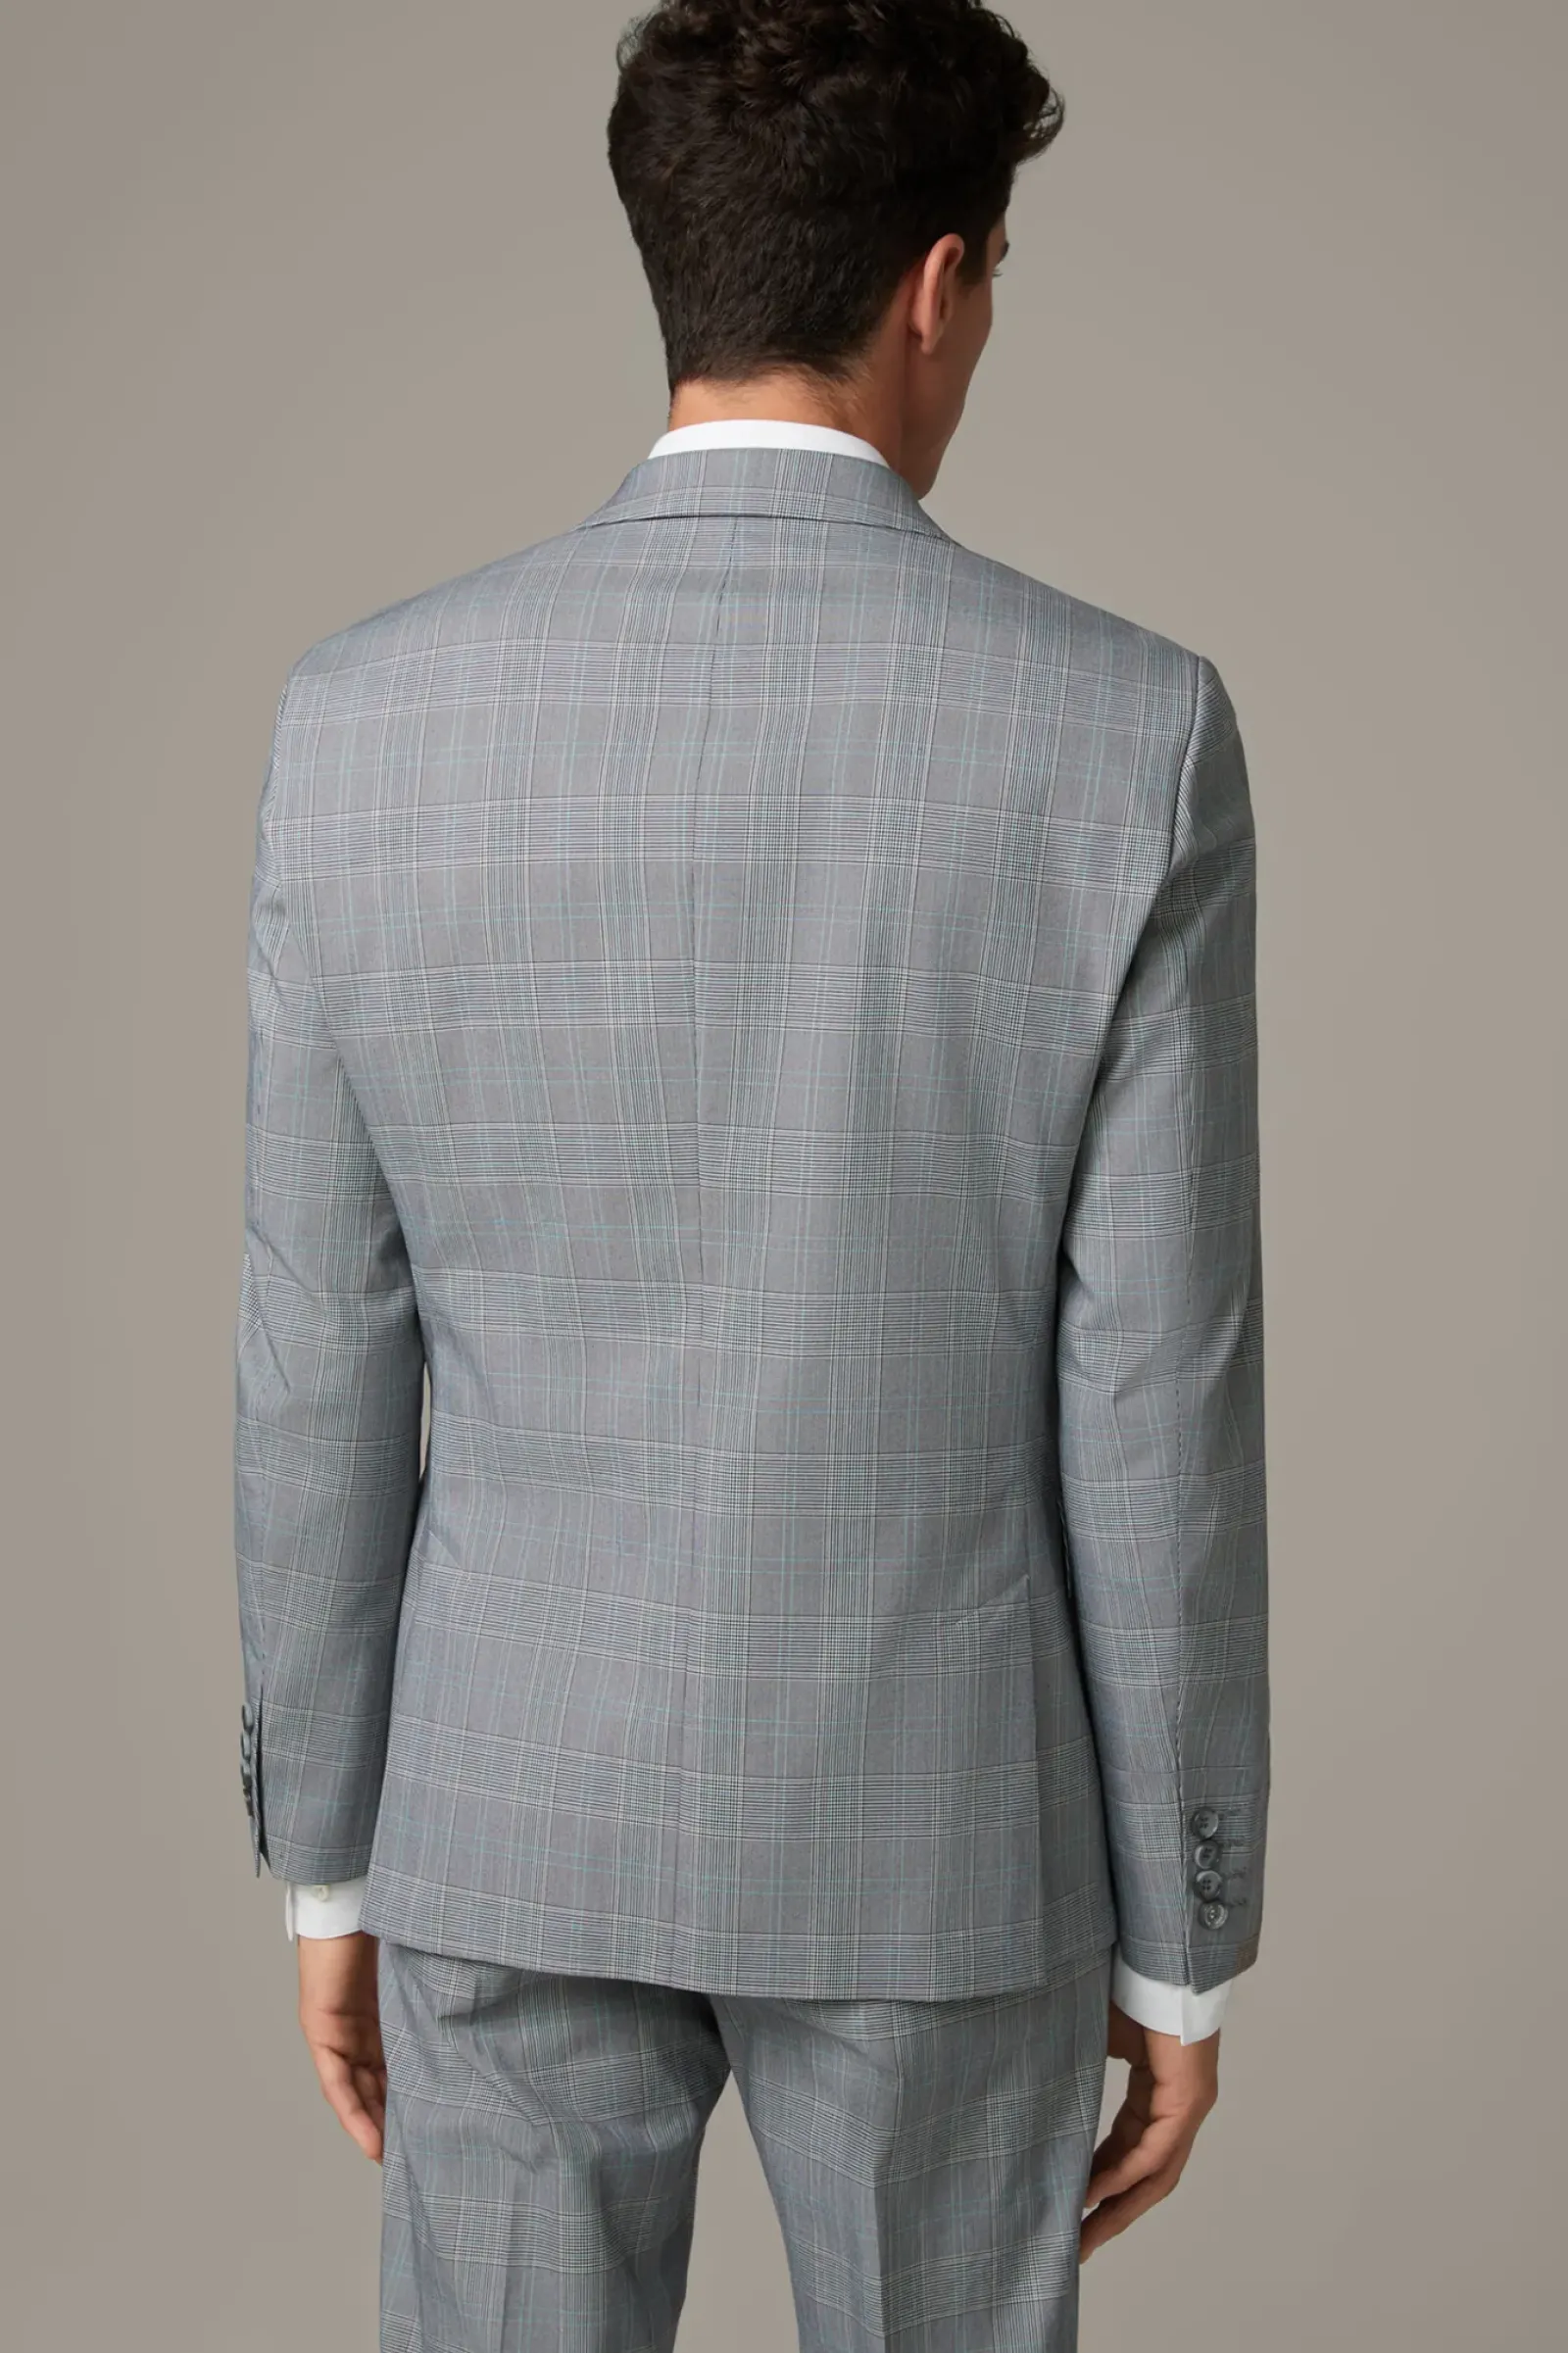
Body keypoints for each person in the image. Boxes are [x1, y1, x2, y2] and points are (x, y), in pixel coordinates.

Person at [233, 3, 1269, 2343]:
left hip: (504, 1808)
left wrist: (331, 1864)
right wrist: (1179, 1939)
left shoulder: (364, 723)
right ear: (937, 284)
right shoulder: (1125, 731)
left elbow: (319, 1345)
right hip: (940, 1836)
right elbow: (1156, 1393)